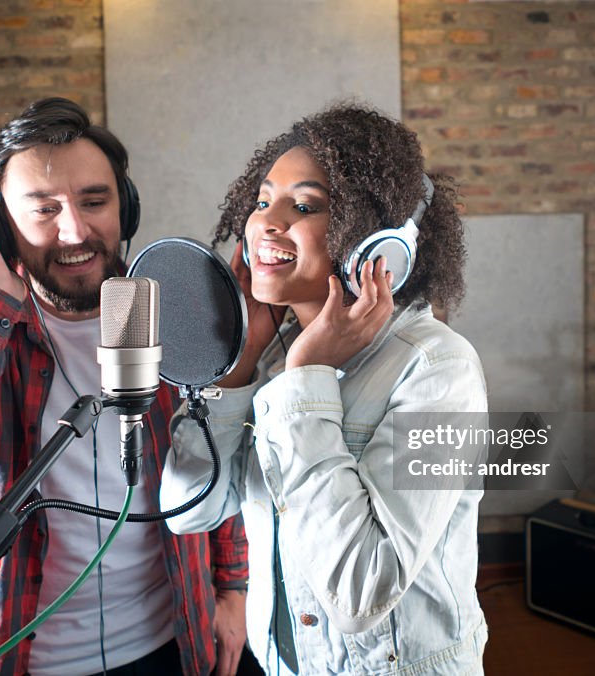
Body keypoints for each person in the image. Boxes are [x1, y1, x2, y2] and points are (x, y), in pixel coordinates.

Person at [0, 98, 249, 676]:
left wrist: (232, 586)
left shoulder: (172, 313)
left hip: (176, 639)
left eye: (95, 201)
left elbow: (216, 451)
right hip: (35, 661)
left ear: (126, 207)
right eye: (44, 210)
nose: (75, 231)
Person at [160, 103, 489, 674]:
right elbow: (189, 510)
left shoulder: (440, 369)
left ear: (377, 244)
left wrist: (306, 381)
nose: (265, 222)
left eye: (304, 206)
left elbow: (364, 591)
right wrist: (238, 369)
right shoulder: (269, 359)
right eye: (262, 201)